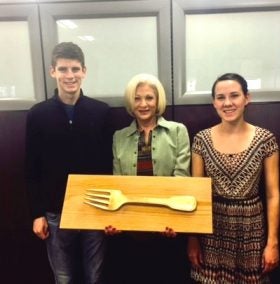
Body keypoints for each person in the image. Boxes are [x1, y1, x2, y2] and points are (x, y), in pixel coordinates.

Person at [25, 42, 112, 284]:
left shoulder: (101, 112)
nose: (70, 76)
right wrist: (36, 214)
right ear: (53, 71)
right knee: (63, 278)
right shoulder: (37, 114)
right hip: (55, 212)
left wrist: (109, 213)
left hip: (94, 209)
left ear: (84, 71)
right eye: (63, 69)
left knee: (95, 276)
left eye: (75, 69)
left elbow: (109, 166)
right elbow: (31, 168)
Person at [188, 73, 280, 283]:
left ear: (247, 98)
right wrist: (192, 239)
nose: (227, 103)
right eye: (220, 97)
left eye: (234, 96)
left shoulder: (265, 140)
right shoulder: (201, 140)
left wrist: (272, 242)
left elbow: (273, 194)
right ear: (214, 102)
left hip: (251, 230)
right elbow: (196, 194)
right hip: (211, 229)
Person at [105, 73, 191, 284]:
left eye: (149, 98)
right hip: (130, 233)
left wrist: (171, 222)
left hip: (167, 230)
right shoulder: (119, 137)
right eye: (137, 98)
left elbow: (181, 179)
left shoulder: (178, 131)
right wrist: (115, 222)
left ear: (158, 101)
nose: (143, 104)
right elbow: (118, 184)